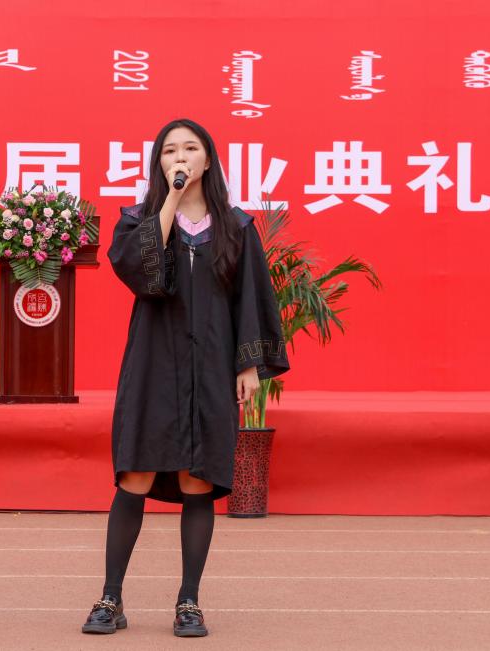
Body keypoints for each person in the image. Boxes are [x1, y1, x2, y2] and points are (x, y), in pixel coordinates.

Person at [82, 118, 289, 638]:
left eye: (190, 149)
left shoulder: (236, 226)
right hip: (153, 364)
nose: (180, 157)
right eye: (170, 151)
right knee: (134, 475)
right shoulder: (138, 220)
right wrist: (169, 202)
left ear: (208, 160)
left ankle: (189, 601)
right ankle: (110, 598)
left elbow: (251, 298)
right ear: (159, 163)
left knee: (199, 481)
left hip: (211, 366)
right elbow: (139, 274)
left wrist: (248, 364)